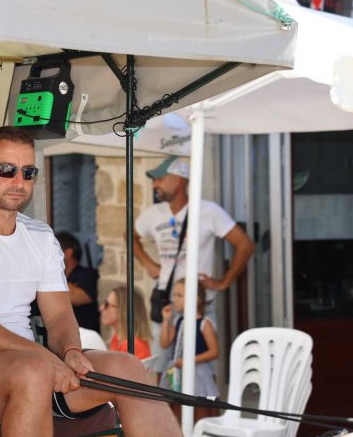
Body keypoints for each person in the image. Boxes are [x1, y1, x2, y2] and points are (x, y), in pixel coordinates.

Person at [0, 126, 273, 437]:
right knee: (35, 371)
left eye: (28, 172)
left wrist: (71, 351)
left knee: (126, 366)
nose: (19, 181)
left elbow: (58, 315)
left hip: (26, 362)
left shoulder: (39, 235)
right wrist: (45, 358)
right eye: (6, 170)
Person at [133, 156, 255, 374]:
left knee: (200, 373)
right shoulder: (153, 214)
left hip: (199, 306)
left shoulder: (208, 211)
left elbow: (245, 245)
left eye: (160, 179)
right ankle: (167, 409)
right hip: (167, 303)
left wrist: (224, 283)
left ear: (178, 180)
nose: (155, 185)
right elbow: (130, 235)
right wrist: (149, 264)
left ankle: (197, 409)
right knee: (161, 370)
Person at [159, 279, 220, 422]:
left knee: (198, 410)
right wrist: (166, 320)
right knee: (177, 410)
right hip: (177, 371)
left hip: (197, 372)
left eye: (179, 295)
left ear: (195, 298)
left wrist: (189, 361)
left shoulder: (204, 323)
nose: (174, 300)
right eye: (173, 295)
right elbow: (165, 343)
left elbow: (214, 352)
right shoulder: (179, 321)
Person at [54, 231, 100, 334]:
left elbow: (73, 297)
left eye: (53, 251)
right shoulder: (58, 278)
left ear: (68, 253)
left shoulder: (88, 275)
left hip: (86, 341)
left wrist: (53, 268)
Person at [101, 286, 153, 360]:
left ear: (123, 310)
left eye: (107, 305)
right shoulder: (117, 338)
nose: (101, 308)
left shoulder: (134, 346)